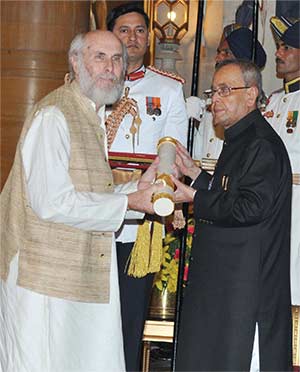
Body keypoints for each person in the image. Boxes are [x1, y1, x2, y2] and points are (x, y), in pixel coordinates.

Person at [0, 30, 164, 372]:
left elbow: (88, 191)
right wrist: (131, 203)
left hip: (72, 273)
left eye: (116, 59)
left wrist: (136, 189)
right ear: (75, 62)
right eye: (99, 57)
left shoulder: (90, 113)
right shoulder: (54, 115)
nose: (110, 68)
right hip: (41, 277)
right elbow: (52, 202)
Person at [172, 59, 292, 371]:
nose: (216, 100)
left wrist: (195, 196)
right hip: (225, 283)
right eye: (214, 92)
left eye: (226, 90)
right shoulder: (240, 138)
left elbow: (250, 206)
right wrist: (196, 176)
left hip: (245, 288)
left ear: (251, 95)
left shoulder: (261, 144)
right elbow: (231, 192)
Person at [106, 3, 188, 371]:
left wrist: (160, 192)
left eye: (140, 30)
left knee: (129, 312)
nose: (133, 37)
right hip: (95, 205)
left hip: (141, 214)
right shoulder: (89, 82)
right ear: (111, 34)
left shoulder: (168, 88)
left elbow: (171, 147)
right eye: (124, 30)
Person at [265, 16, 300, 368]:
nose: (280, 53)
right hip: (274, 210)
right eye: (279, 46)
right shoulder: (273, 101)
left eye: (288, 47)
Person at [186, 24, 266, 173]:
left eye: (226, 52)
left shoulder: (260, 107)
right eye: (218, 52)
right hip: (203, 186)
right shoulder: (211, 103)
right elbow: (198, 152)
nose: (218, 58)